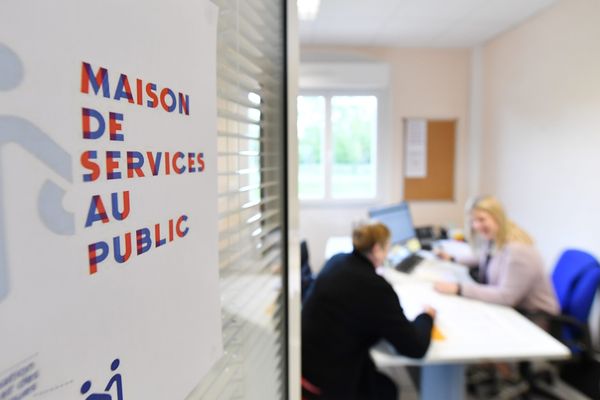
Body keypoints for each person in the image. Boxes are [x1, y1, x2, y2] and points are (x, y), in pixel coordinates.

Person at [302, 221, 436, 400]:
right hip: (326, 384)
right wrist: (426, 316)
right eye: (387, 248)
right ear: (377, 249)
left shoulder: (337, 260)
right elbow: (416, 347)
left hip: (305, 365)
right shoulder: (376, 288)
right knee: (387, 390)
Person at [434, 195, 558, 315]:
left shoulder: (518, 250)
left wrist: (459, 288)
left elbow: (506, 297)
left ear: (497, 217)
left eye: (481, 219)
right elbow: (483, 258)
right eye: (473, 221)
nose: (476, 226)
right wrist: (452, 258)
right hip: (514, 311)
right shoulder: (498, 238)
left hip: (535, 318)